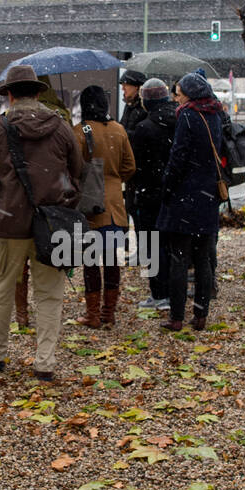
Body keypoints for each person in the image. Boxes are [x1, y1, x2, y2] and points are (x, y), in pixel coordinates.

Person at [0, 64, 82, 380]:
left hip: (8, 224)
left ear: (8, 95)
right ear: (38, 92)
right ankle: (44, 363)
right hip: (51, 224)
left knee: (0, 289)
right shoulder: (61, 127)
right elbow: (78, 169)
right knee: (49, 294)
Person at [158, 72, 224, 332]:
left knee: (179, 258)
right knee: (204, 258)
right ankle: (201, 314)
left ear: (189, 94)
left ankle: (176, 316)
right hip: (207, 195)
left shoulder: (187, 115)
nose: (176, 97)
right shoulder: (214, 114)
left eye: (179, 92)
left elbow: (178, 156)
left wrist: (168, 186)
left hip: (186, 196)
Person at [73, 85, 135, 329]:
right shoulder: (119, 130)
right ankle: (109, 313)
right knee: (111, 260)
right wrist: (113, 177)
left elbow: (74, 168)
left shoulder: (80, 131)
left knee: (90, 261)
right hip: (115, 206)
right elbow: (130, 166)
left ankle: (92, 314)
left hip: (90, 205)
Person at [127, 77, 177, 309]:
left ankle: (159, 293)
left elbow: (135, 165)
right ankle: (176, 293)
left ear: (146, 101)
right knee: (172, 244)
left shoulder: (144, 128)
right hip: (175, 192)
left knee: (151, 244)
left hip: (149, 193)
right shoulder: (180, 120)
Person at [119, 69, 147, 139]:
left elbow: (141, 136)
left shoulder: (144, 107)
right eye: (122, 85)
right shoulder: (129, 105)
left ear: (137, 87)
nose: (122, 88)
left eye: (125, 85)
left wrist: (121, 133)